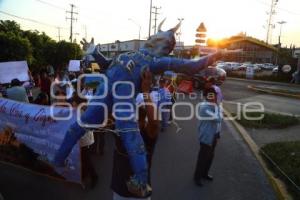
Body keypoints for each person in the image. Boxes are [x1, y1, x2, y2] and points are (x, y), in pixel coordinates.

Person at [53, 19, 222, 197]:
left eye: (163, 36)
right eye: (159, 34)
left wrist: (214, 56)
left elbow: (190, 67)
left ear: (166, 44)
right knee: (85, 126)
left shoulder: (157, 61)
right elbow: (108, 64)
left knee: (126, 133)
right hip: (108, 91)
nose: (157, 37)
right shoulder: (132, 55)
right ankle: (59, 159)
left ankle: (140, 181)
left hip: (120, 94)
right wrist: (94, 51)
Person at [111, 70, 159, 200]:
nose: (131, 124)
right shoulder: (120, 130)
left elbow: (154, 122)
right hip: (119, 191)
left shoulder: (147, 137)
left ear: (143, 122)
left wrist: (145, 91)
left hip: (140, 195)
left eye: (137, 120)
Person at [194, 87, 222, 187]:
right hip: (206, 136)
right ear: (206, 96)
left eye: (214, 95)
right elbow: (218, 119)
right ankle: (197, 177)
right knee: (203, 157)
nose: (213, 97)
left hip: (214, 135)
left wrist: (218, 134)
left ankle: (205, 174)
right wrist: (216, 107)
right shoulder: (205, 107)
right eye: (210, 95)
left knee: (210, 156)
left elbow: (219, 121)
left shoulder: (215, 105)